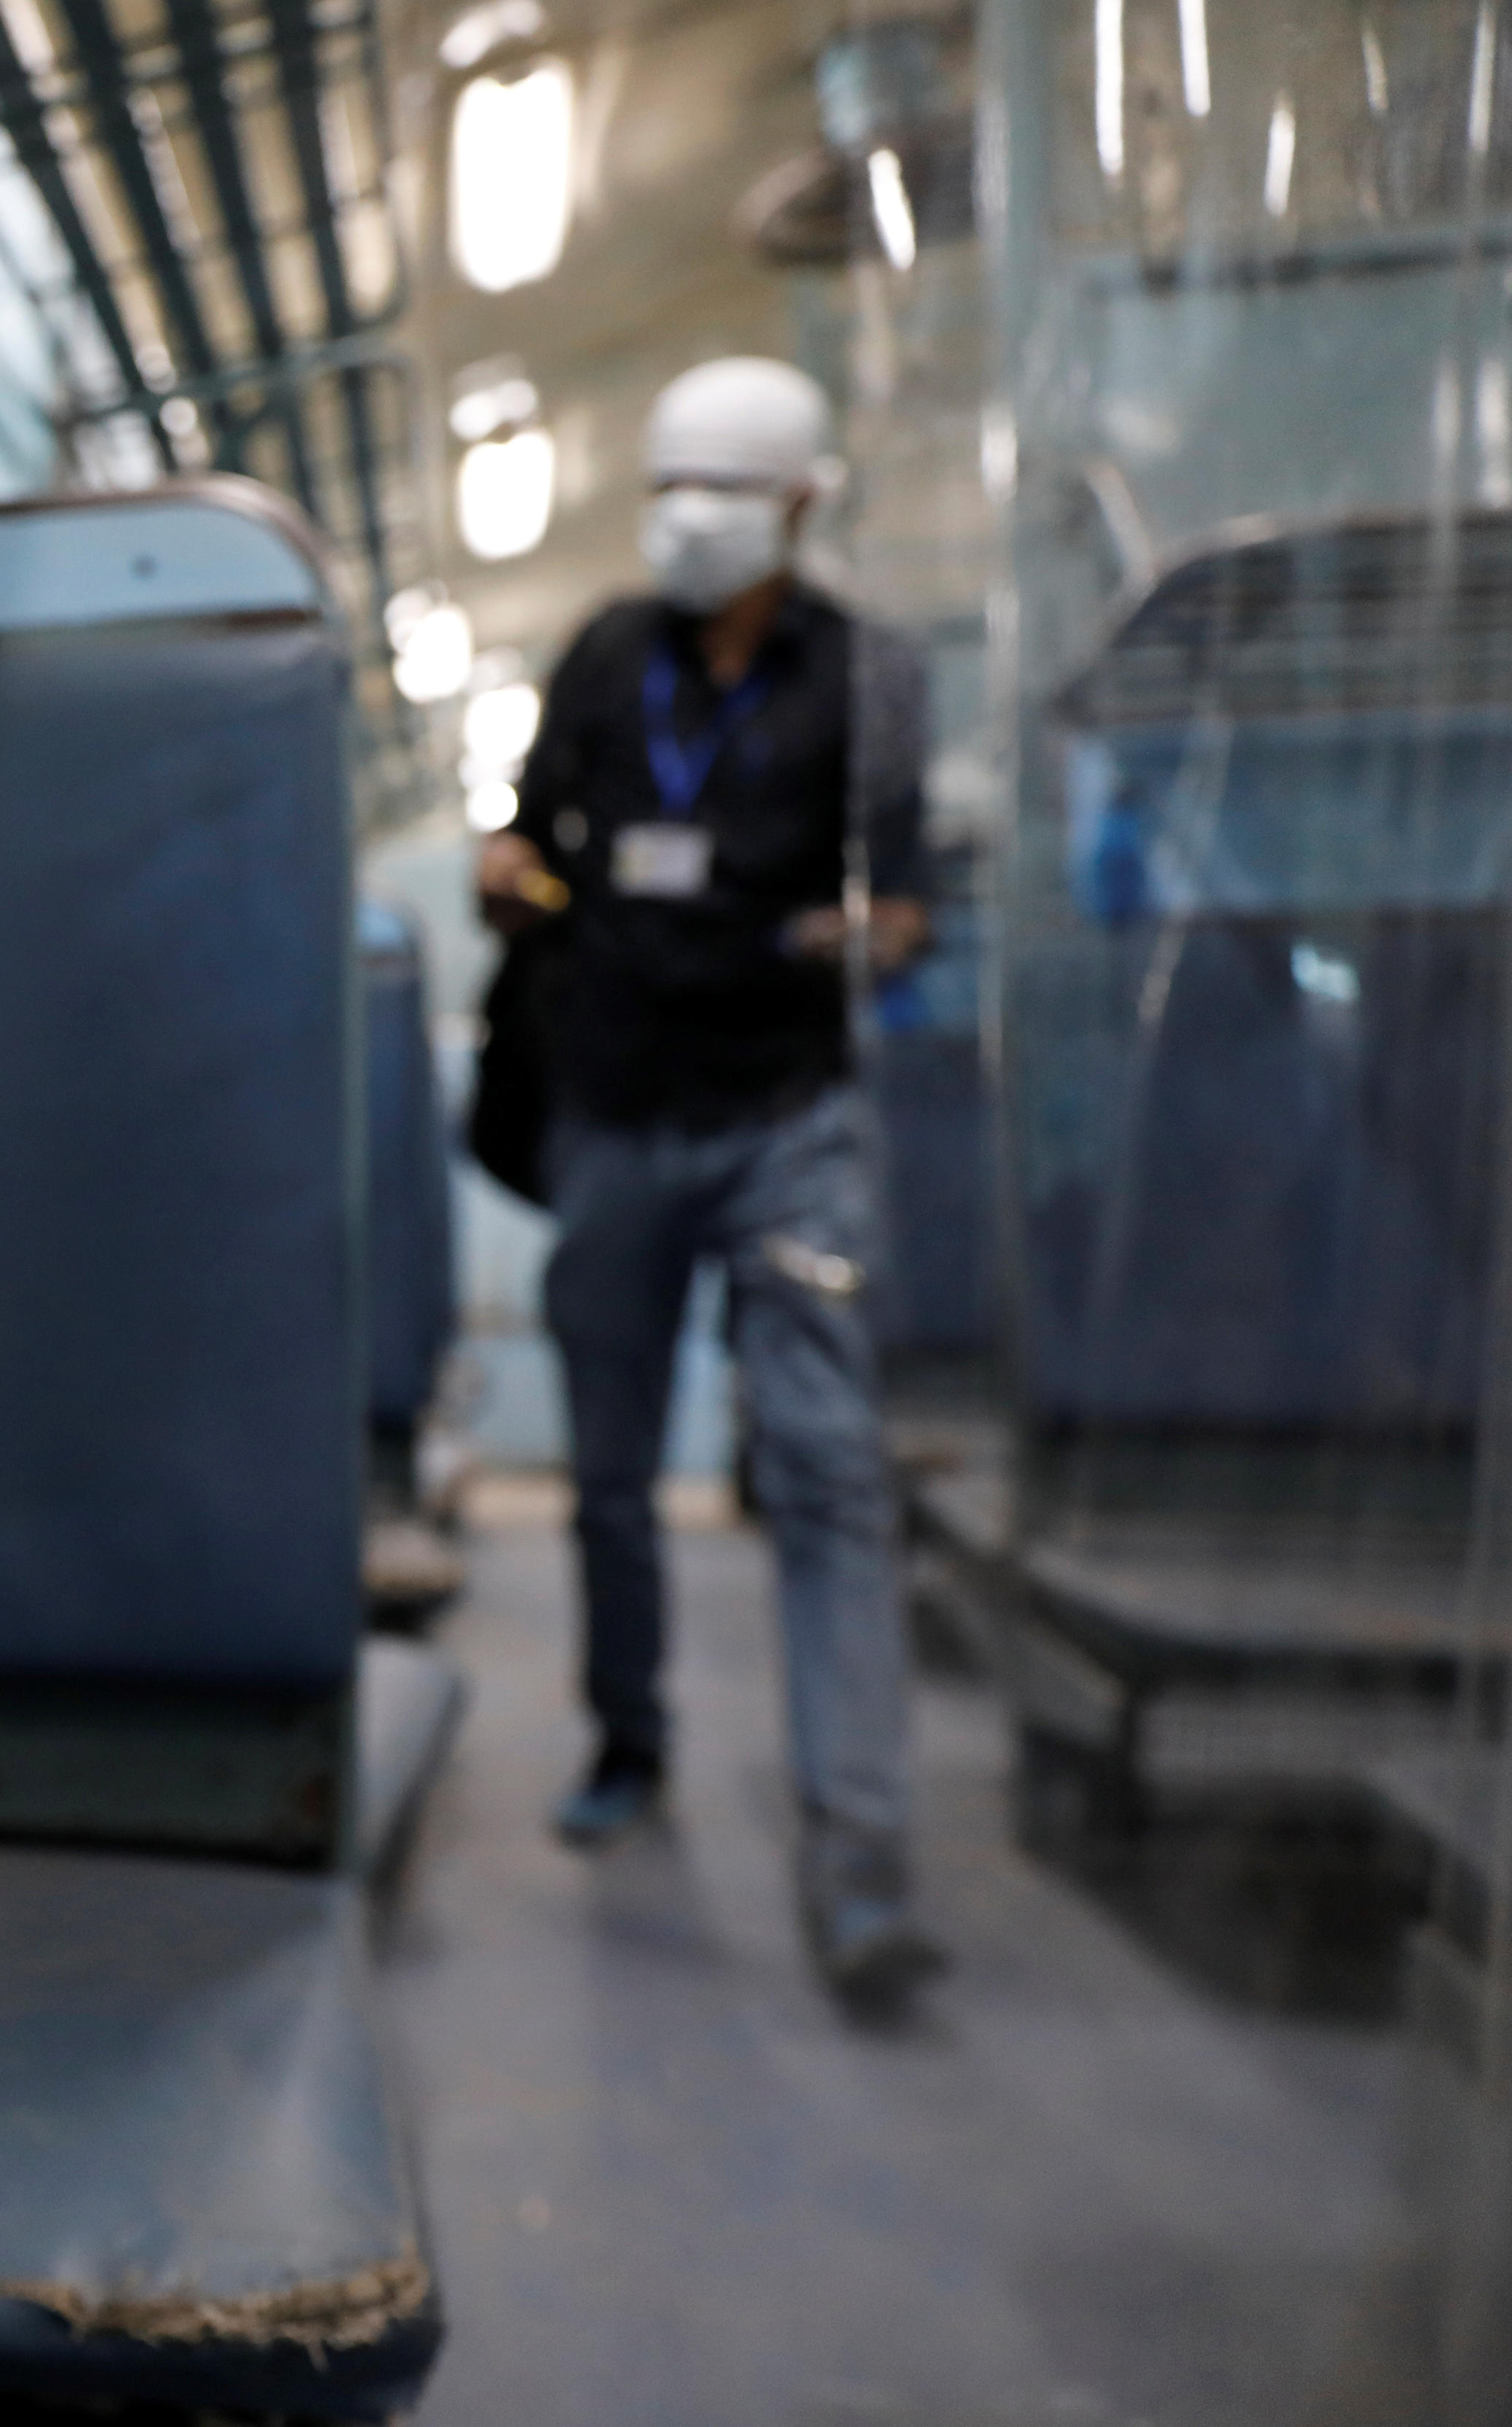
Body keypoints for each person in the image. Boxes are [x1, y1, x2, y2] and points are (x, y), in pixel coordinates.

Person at [476, 357, 943, 2007]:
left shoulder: (867, 674)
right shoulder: (607, 652)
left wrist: (868, 933)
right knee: (609, 1471)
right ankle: (629, 1738)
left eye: (725, 493)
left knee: (825, 1472)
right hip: (613, 1106)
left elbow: (908, 898)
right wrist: (510, 872)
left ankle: (859, 1865)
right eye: (669, 488)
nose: (689, 520)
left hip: (782, 1117)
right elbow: (522, 834)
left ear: (800, 506)